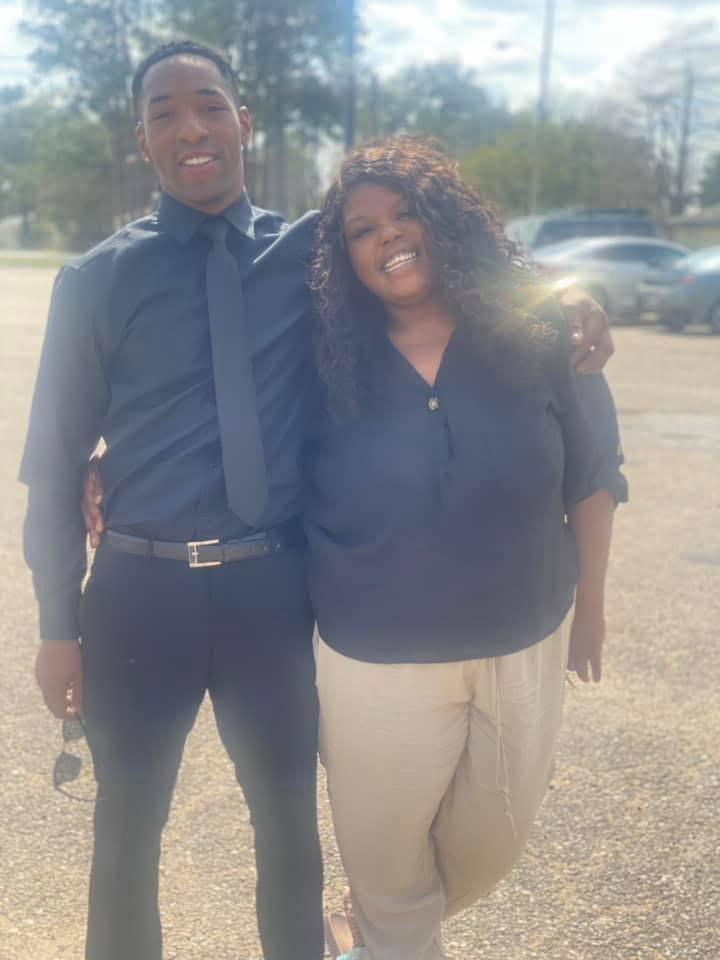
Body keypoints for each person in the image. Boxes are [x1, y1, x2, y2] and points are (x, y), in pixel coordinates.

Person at [22, 40, 613, 960]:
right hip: (140, 593)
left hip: (274, 590)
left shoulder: (313, 254)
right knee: (126, 834)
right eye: (164, 113)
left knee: (289, 830)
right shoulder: (94, 281)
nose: (191, 128)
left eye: (209, 105)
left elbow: (442, 253)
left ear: (244, 122)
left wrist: (568, 300)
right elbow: (56, 464)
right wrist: (59, 624)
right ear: (142, 140)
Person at [304, 137, 628, 960]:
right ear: (345, 259)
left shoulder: (542, 331)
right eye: (362, 230)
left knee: (493, 848)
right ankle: (383, 932)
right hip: (375, 655)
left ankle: (371, 929)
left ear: (446, 222)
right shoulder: (320, 357)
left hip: (523, 636)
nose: (387, 235)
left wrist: (591, 611)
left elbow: (594, 477)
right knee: (387, 867)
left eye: (406, 213)